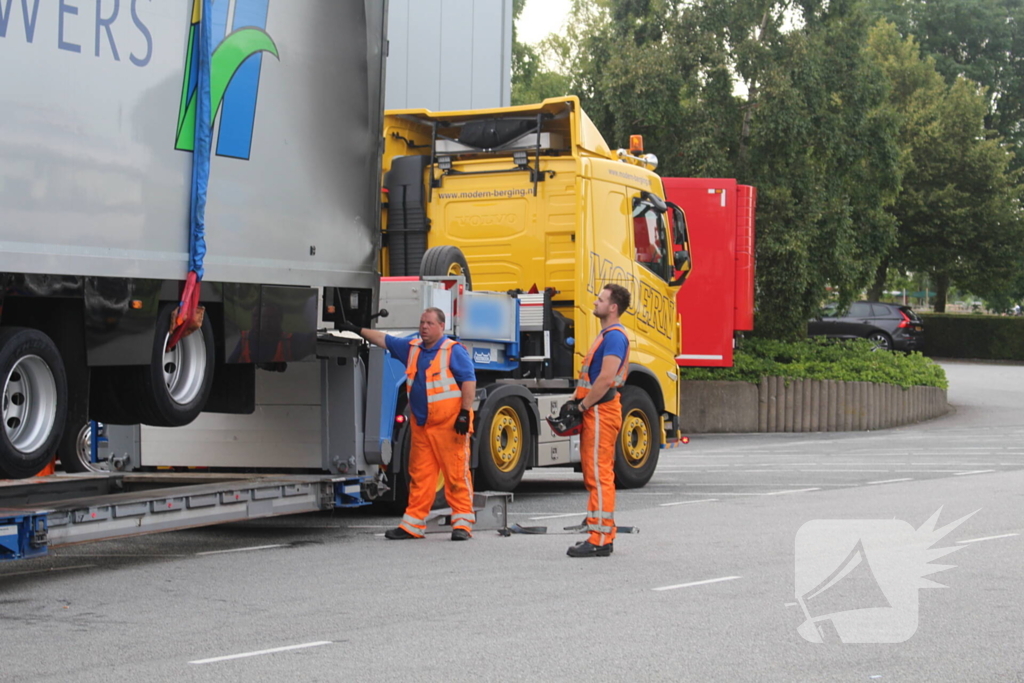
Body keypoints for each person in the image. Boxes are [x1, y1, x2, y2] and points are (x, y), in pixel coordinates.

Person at [340, 308, 477, 541]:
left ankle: (462, 524)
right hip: (422, 426)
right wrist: (357, 330)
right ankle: (412, 525)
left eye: (430, 323)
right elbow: (384, 339)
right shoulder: (412, 348)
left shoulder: (452, 351)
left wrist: (465, 413)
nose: (424, 327)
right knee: (420, 476)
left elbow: (469, 380)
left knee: (456, 475)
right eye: (422, 322)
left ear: (441, 327)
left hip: (449, 426)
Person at [565, 283, 631, 558]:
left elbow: (605, 379)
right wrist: (575, 400)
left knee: (600, 475)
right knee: (595, 474)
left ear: (613, 307)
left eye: (601, 299)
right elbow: (592, 378)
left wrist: (581, 405)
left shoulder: (614, 337)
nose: (595, 302)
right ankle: (600, 533)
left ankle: (600, 538)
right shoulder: (606, 335)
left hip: (601, 412)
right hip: (598, 410)